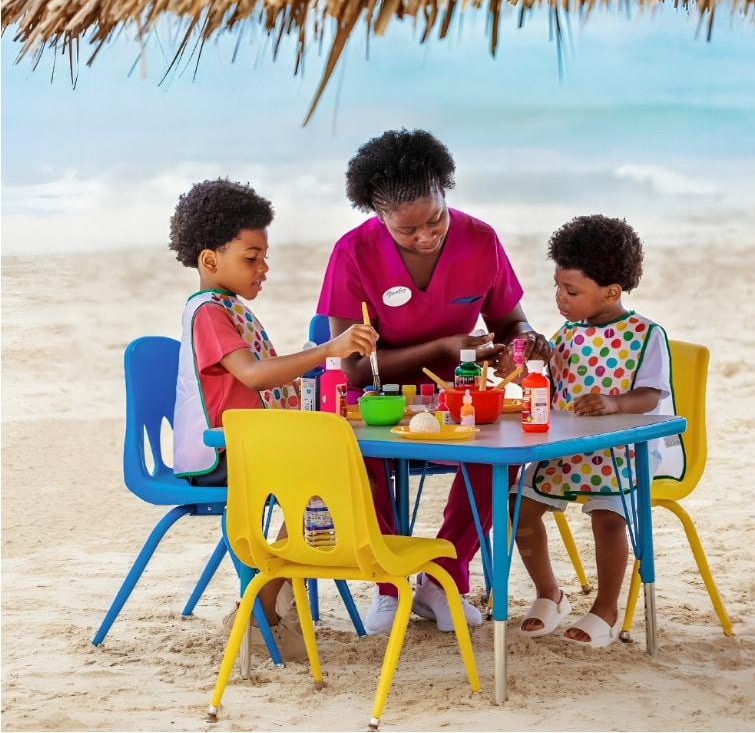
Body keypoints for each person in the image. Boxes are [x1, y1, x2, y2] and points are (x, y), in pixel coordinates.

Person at [316, 128, 550, 634]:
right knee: (359, 458)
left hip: (459, 397)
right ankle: (387, 584)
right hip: (374, 398)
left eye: (436, 219)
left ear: (446, 190)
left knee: (500, 459)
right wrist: (445, 347)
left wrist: (523, 340)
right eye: (408, 231)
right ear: (377, 218)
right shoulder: (352, 253)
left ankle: (443, 578)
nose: (426, 236)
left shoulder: (480, 239)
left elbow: (512, 322)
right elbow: (354, 367)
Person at [169, 178, 378, 661]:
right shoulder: (208, 313)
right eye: (251, 256)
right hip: (220, 452)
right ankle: (268, 603)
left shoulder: (229, 308)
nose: (264, 267)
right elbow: (254, 375)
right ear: (209, 260)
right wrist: (326, 350)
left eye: (265, 256)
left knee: (331, 481)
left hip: (250, 446)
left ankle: (276, 594)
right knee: (325, 484)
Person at [508, 214, 685, 648]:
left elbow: (650, 395)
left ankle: (605, 608)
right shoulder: (566, 334)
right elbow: (548, 386)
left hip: (620, 450)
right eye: (557, 288)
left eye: (570, 291)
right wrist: (534, 359)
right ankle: (549, 593)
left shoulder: (646, 335)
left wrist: (613, 403)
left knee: (608, 517)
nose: (559, 299)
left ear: (610, 292)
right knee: (520, 506)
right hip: (566, 447)